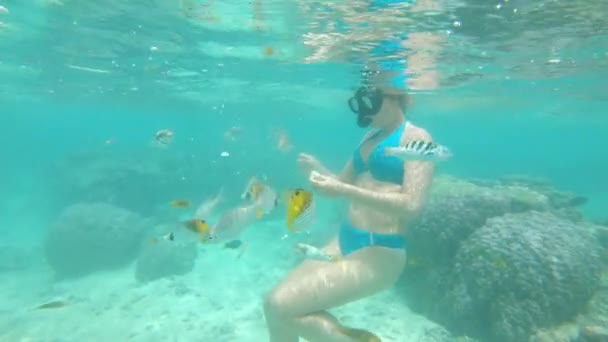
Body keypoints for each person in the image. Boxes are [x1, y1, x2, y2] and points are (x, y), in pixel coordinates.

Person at [262, 4, 440, 340]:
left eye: (372, 95)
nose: (364, 101)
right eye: (364, 93)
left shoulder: (418, 139)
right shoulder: (369, 138)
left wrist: (343, 190)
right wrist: (318, 171)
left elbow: (413, 205)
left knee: (283, 309)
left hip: (380, 252)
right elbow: (339, 186)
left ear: (395, 95)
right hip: (344, 240)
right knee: (273, 305)